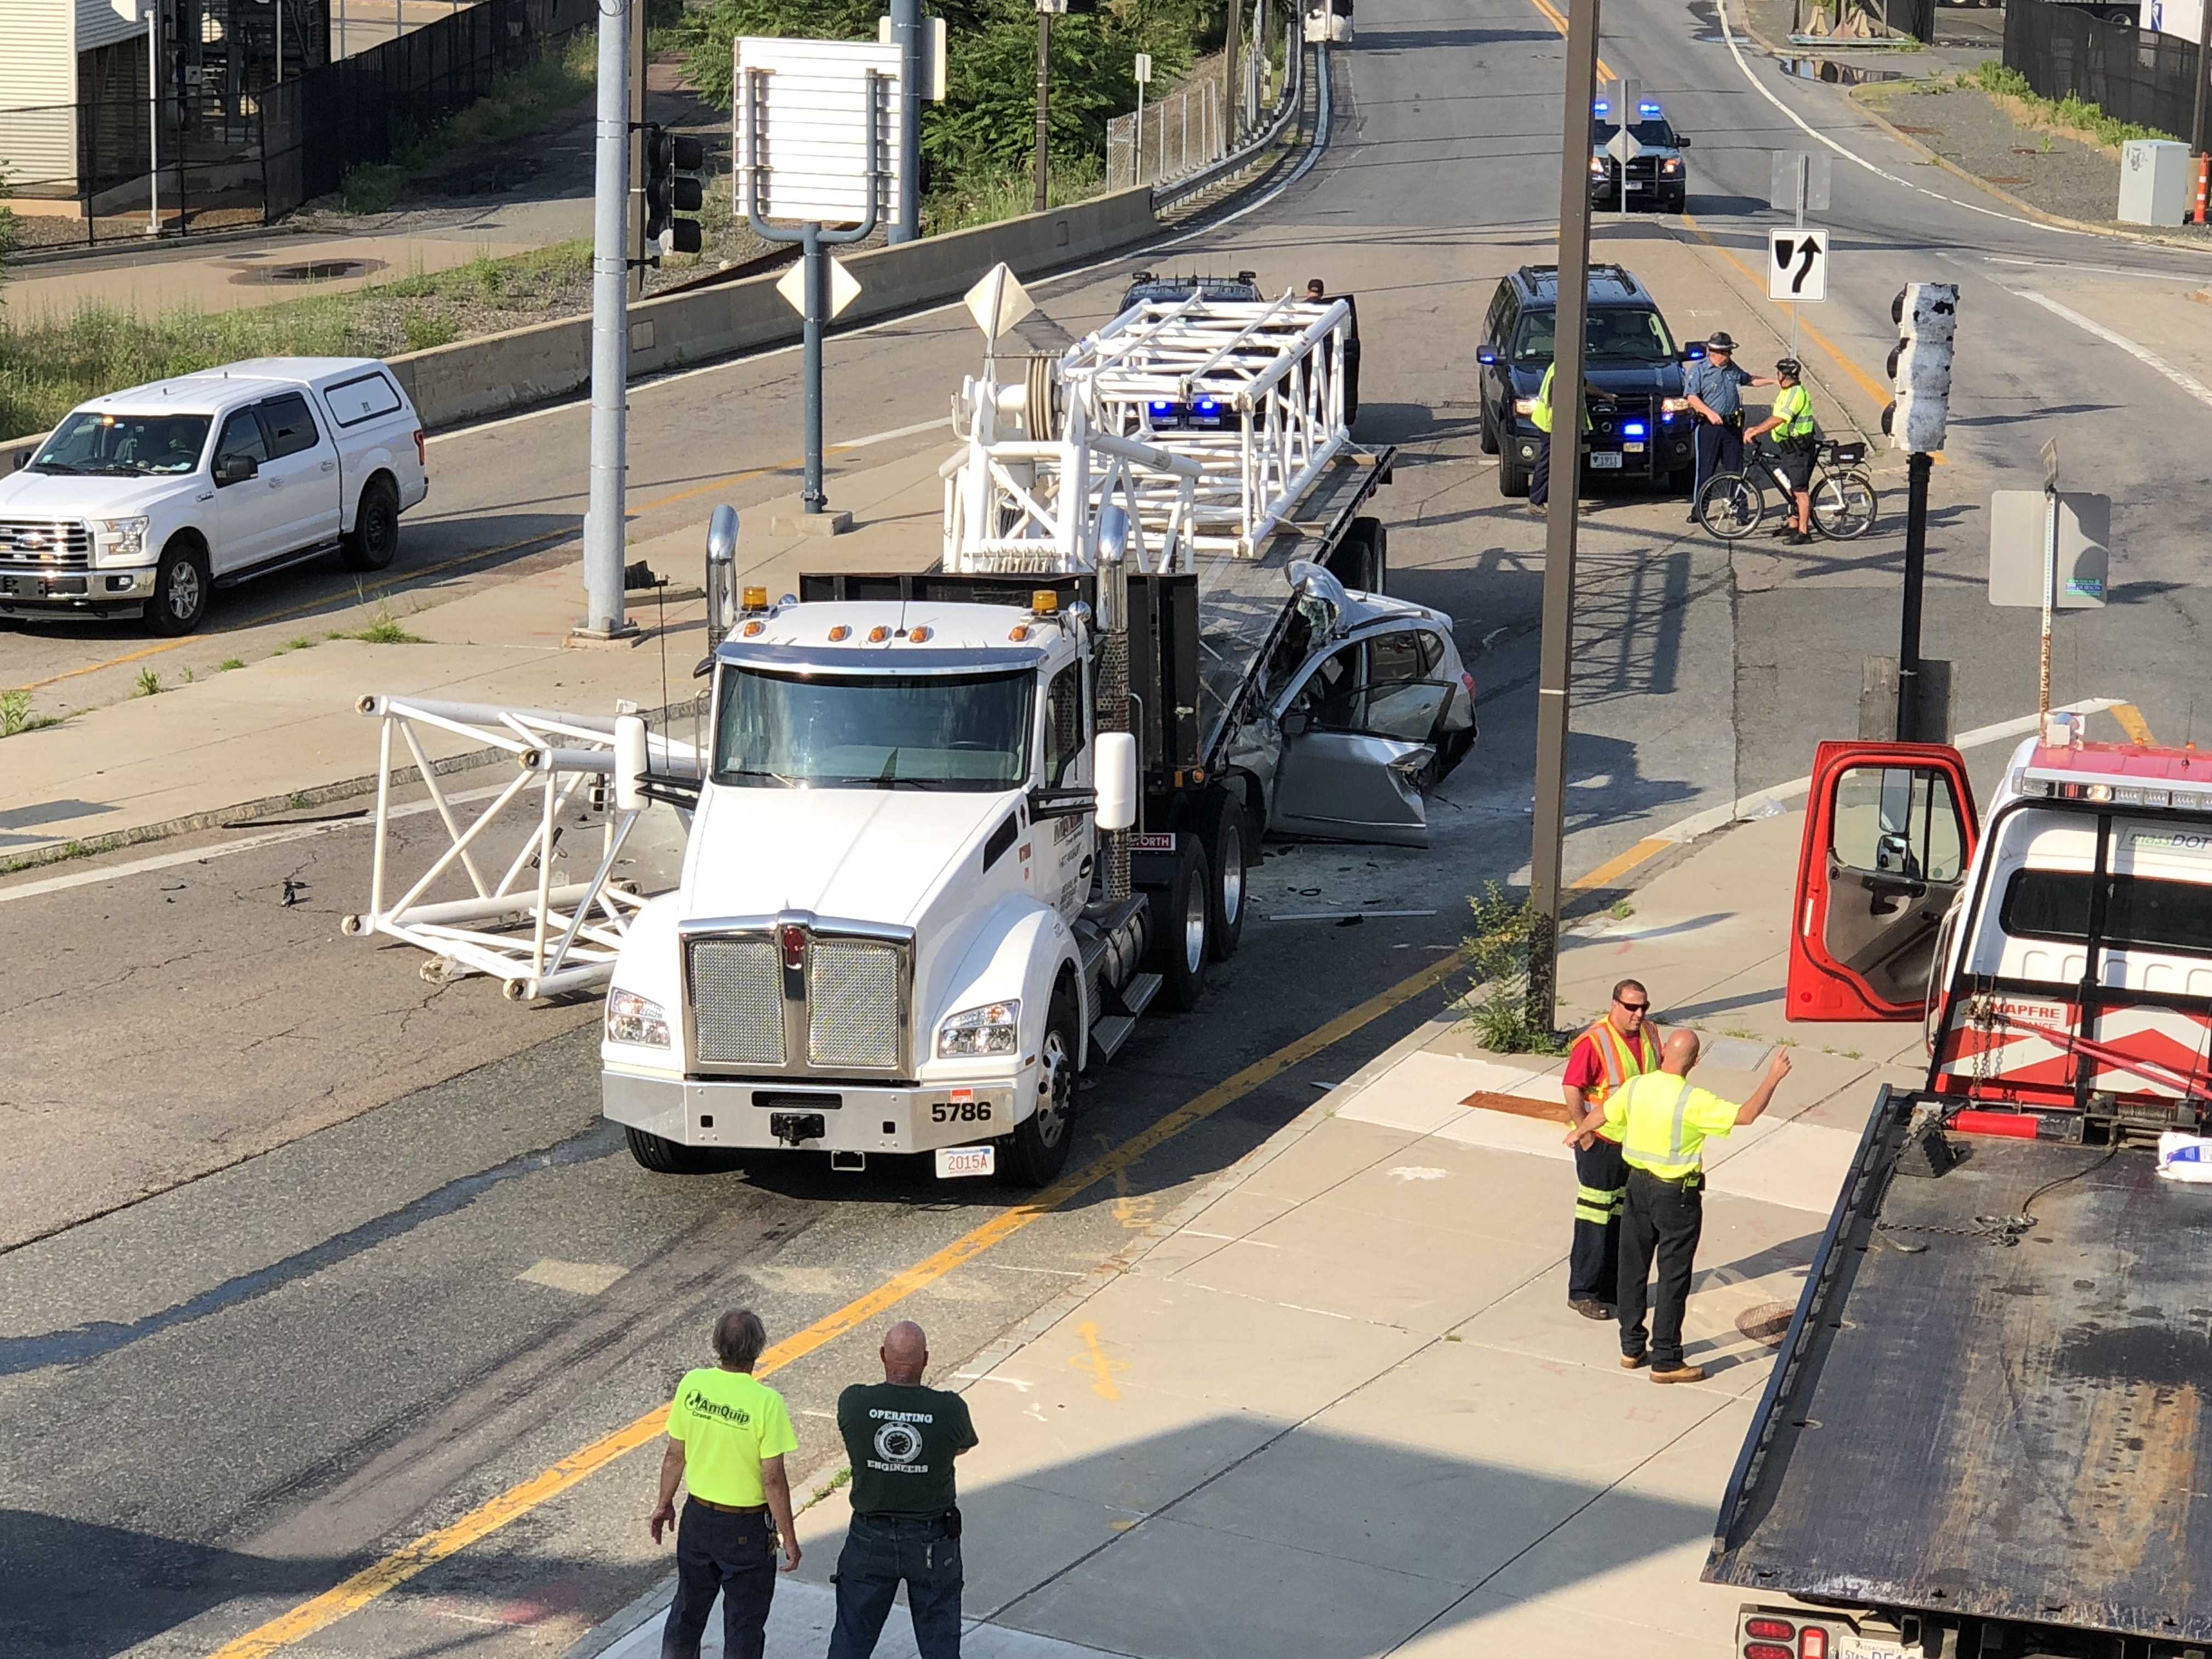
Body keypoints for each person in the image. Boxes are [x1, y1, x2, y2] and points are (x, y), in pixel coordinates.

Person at [1570, 1035, 1792, 1383]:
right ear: (1696, 1061)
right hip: (1677, 1197)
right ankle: (1667, 1360)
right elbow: (1746, 1115)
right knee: (1673, 1276)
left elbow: (1602, 1113)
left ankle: (1631, 1348)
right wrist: (1773, 1077)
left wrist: (1580, 1130)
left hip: (1637, 1188)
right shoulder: (1694, 1101)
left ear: (1662, 1055)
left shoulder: (1636, 1087)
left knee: (1632, 1270)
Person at [650, 1309, 802, 1659]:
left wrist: (664, 1503)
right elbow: (773, 1479)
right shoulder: (766, 1403)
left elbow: (674, 1456)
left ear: (718, 1345)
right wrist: (788, 1536)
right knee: (744, 1623)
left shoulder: (693, 1385)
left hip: (698, 1519)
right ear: (758, 1349)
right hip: (746, 1528)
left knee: (687, 1611)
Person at [828, 1321, 979, 1659]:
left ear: (883, 1356)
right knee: (940, 1638)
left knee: (851, 1637)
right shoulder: (949, 1409)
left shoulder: (854, 1402)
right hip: (931, 1542)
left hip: (869, 1538)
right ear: (925, 1360)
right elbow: (961, 1445)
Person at [1556, 978, 1666, 1320]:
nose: (1639, 1013)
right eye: (1632, 1007)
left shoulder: (1649, 1034)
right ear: (1615, 1004)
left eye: (1644, 1007)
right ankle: (1584, 1291)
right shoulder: (1595, 1041)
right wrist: (1584, 1133)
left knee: (1623, 1220)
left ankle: (1612, 1288)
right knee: (1595, 1219)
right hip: (1601, 1145)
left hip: (1634, 1144)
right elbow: (1572, 1088)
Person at [1681, 332, 1776, 521]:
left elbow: (1748, 379)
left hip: (1732, 427)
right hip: (1710, 427)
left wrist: (1772, 381)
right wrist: (1709, 413)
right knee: (1706, 470)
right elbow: (1691, 397)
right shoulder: (1699, 370)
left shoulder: (1732, 369)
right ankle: (1700, 510)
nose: (1729, 356)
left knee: (1736, 470)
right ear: (1715, 353)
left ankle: (1741, 511)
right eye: (1726, 353)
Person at [1745, 358, 1819, 544]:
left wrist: (1756, 430)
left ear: (1783, 376)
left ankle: (1804, 533)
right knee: (1790, 486)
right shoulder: (1786, 392)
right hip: (1789, 447)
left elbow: (1780, 418)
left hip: (1799, 449)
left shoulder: (1796, 393)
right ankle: (1793, 523)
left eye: (1778, 372)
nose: (1776, 375)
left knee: (1800, 491)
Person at [1528, 362, 1612, 516]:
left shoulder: (1566, 366)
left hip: (1559, 427)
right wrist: (1564, 428)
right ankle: (1536, 502)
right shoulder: (1561, 373)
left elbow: (1584, 385)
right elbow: (1558, 404)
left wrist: (1604, 395)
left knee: (1566, 465)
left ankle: (1566, 504)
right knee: (1548, 465)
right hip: (1553, 427)